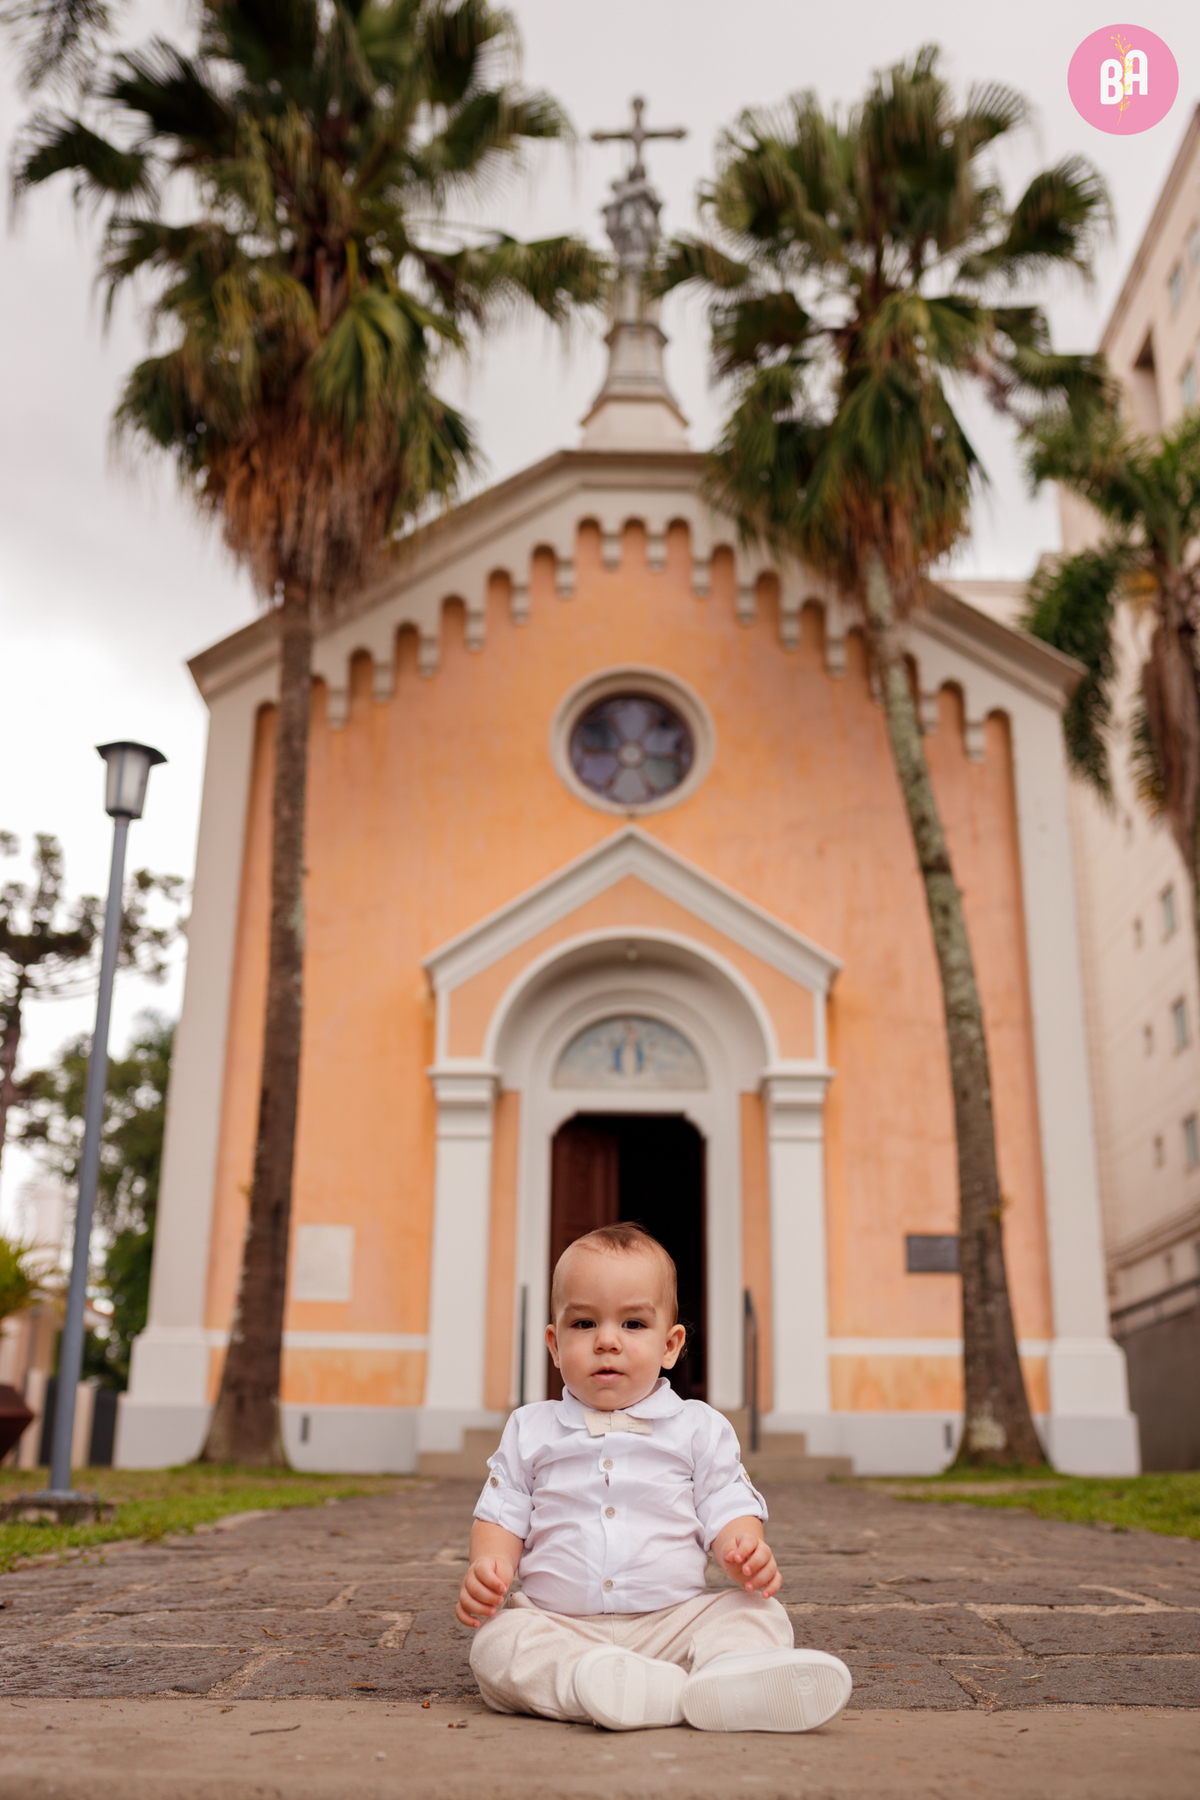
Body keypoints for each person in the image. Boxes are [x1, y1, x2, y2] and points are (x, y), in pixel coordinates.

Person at [457, 1221, 852, 1732]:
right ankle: (599, 1685)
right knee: (499, 1644)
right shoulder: (530, 1428)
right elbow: (503, 1512)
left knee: (756, 1613)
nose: (606, 1342)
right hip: (560, 1625)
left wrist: (743, 1548)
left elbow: (727, 1501)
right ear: (554, 1344)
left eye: (633, 1325)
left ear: (671, 1345)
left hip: (672, 1622)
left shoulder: (698, 1427)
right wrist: (489, 1567)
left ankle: (730, 1675)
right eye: (583, 1324)